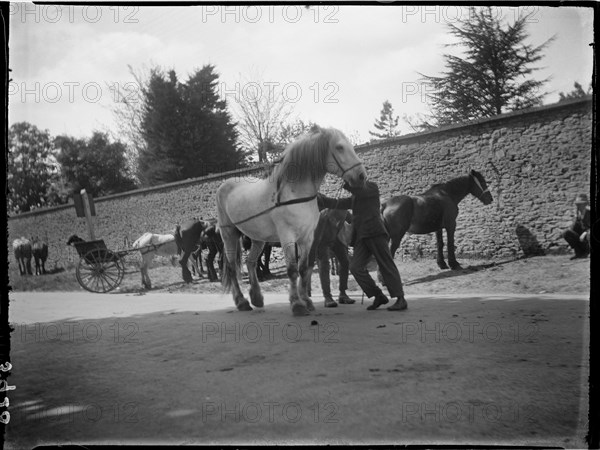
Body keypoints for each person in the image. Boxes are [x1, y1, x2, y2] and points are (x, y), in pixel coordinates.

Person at [318, 181, 407, 311]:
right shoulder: (355, 197)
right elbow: (338, 203)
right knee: (355, 267)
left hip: (375, 232)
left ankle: (401, 299)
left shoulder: (371, 187)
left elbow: (361, 191)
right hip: (362, 237)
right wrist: (322, 199)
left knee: (386, 264)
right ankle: (378, 295)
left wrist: (348, 183)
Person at [310, 207, 356, 308]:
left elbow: (353, 220)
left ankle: (343, 294)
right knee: (324, 264)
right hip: (322, 238)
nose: (337, 222)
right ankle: (327, 297)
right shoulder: (323, 215)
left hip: (337, 237)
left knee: (345, 262)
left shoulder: (344, 211)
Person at [563, 193, 591, 259]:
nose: (579, 206)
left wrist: (585, 233)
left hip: (588, 238)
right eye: (578, 204)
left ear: (585, 204)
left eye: (581, 204)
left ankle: (589, 252)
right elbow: (573, 228)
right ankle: (579, 253)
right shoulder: (577, 215)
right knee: (566, 233)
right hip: (581, 239)